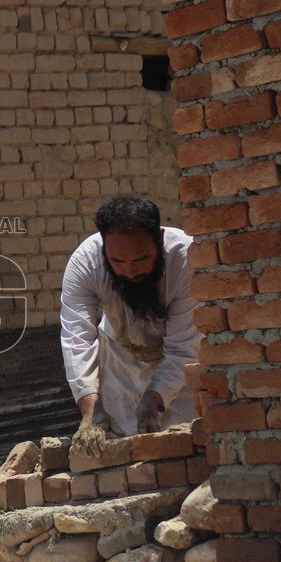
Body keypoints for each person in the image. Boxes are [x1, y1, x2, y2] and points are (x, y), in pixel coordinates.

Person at [60, 194, 200, 457]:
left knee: (184, 447)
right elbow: (76, 338)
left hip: (181, 367)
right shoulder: (85, 263)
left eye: (140, 260)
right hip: (120, 362)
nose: (129, 271)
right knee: (124, 448)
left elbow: (183, 348)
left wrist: (155, 398)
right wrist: (90, 407)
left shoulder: (186, 258)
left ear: (158, 241)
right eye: (118, 261)